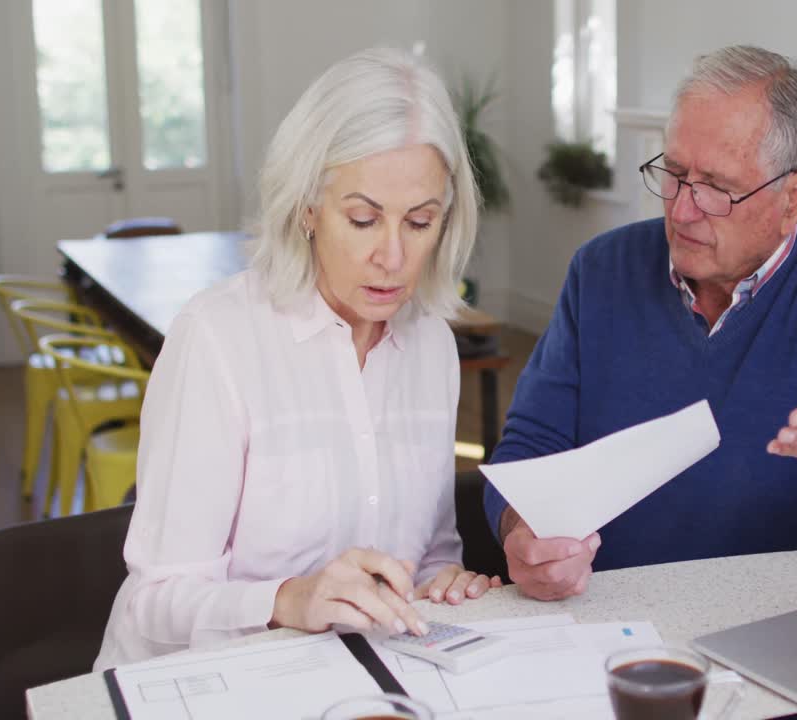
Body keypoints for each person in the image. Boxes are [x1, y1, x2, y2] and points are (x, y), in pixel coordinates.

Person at [483, 45, 797, 601]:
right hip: (596, 613)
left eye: (717, 188)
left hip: (761, 628)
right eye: (673, 173)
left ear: (794, 198)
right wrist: (519, 529)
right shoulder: (601, 271)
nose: (681, 209)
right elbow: (529, 449)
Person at [96, 48, 500, 669]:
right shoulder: (218, 338)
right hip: (197, 685)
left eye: (419, 222)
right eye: (363, 219)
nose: (392, 257)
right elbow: (157, 599)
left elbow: (432, 550)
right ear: (308, 207)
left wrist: (445, 579)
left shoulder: (431, 346)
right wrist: (289, 599)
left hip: (351, 677)